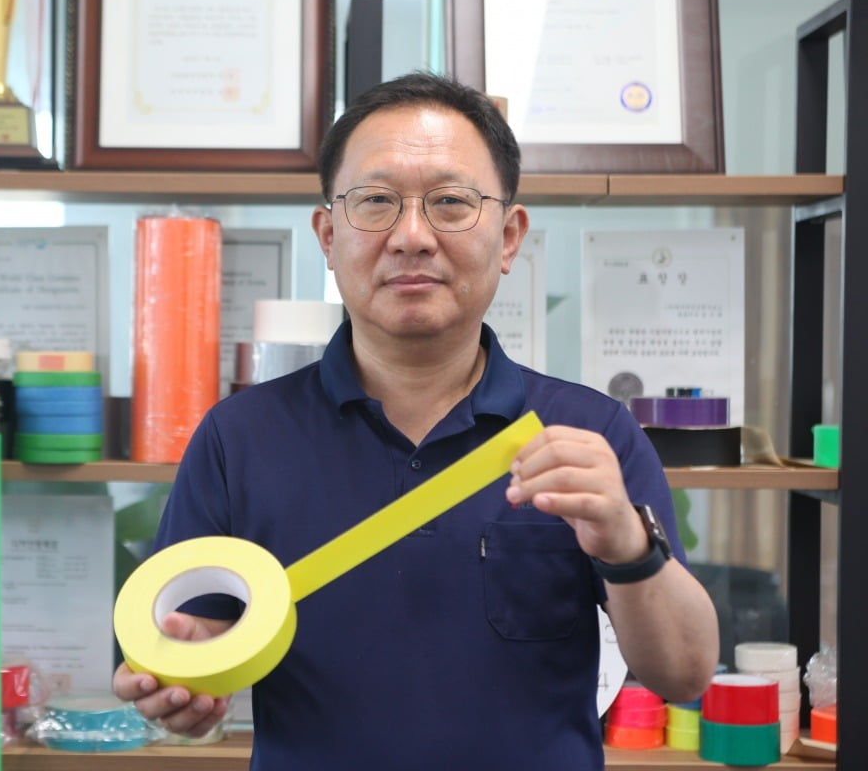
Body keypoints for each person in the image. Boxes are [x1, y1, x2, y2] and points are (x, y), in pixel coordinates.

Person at [113, 72, 719, 770]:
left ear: (510, 236)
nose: (411, 236)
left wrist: (626, 544)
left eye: (450, 202)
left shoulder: (589, 435)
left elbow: (685, 673)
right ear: (327, 235)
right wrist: (179, 685)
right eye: (376, 201)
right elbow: (185, 642)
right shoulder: (238, 438)